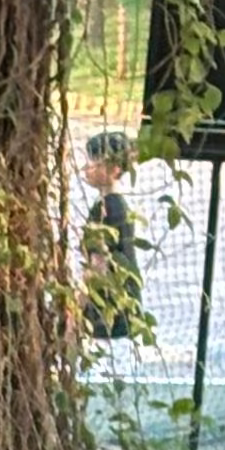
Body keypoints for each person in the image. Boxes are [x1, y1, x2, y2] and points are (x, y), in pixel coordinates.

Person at [79, 128, 154, 342]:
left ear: (114, 169)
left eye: (95, 161)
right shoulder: (118, 205)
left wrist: (76, 306)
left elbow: (98, 266)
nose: (87, 166)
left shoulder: (106, 209)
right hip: (123, 310)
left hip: (109, 314)